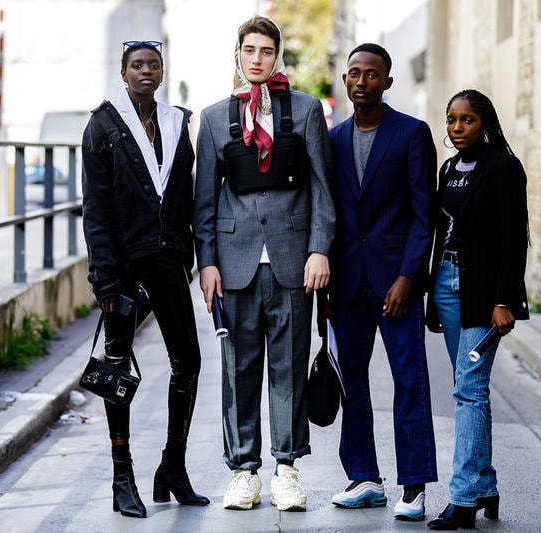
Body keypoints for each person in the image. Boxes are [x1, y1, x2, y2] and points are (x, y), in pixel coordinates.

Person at [192, 16, 335, 512]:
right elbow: (204, 202)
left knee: (290, 367)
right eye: (249, 50)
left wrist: (320, 249)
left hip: (294, 261)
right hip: (234, 264)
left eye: (266, 51)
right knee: (237, 369)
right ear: (238, 54)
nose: (257, 59)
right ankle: (243, 471)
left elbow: (322, 188)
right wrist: (206, 263)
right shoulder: (213, 119)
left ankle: (287, 469)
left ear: (278, 57)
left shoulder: (307, 110)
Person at [81, 40, 208, 518]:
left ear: (162, 70)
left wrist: (189, 252)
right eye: (137, 65)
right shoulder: (103, 123)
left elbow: (185, 193)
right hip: (124, 265)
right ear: (123, 71)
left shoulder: (177, 122)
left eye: (154, 65)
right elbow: (95, 207)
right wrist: (104, 278)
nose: (146, 72)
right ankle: (122, 476)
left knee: (188, 362)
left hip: (168, 259)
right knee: (117, 369)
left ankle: (172, 466)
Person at [324, 42, 437, 522]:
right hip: (346, 284)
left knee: (408, 381)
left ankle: (413, 486)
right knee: (353, 384)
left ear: (387, 82)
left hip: (396, 285)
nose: (362, 81)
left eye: (372, 74)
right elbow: (326, 214)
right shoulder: (331, 140)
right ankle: (365, 477)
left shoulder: (412, 134)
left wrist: (409, 276)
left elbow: (423, 214)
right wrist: (325, 286)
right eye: (354, 73)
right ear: (346, 81)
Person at [425, 89, 530, 530]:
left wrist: (505, 300)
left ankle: (463, 498)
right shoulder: (449, 169)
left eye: (466, 120)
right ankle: (485, 484)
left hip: (483, 293)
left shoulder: (503, 167)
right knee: (470, 388)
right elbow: (440, 233)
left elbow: (513, 238)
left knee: (468, 390)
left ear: (485, 123)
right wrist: (432, 289)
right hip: (446, 286)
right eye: (451, 120)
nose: (456, 128)